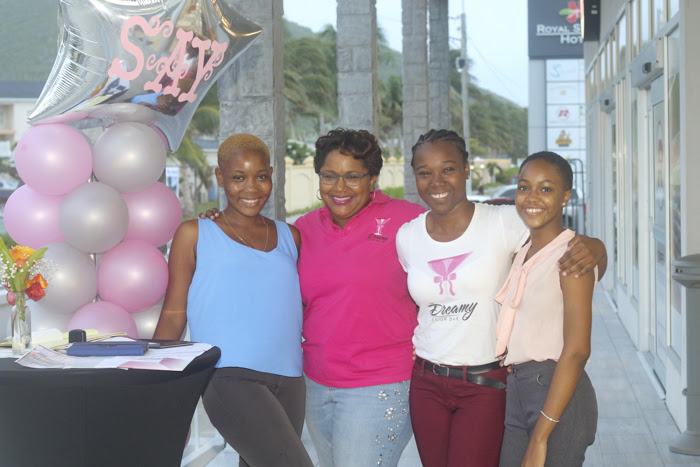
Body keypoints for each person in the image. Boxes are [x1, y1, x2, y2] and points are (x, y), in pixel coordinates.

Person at [200, 128, 425, 467]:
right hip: (315, 383)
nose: (339, 187)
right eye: (329, 176)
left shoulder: (408, 221)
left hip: (381, 382)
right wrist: (218, 221)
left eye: (352, 176)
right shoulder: (302, 230)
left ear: (372, 179)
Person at [395, 130, 606, 467]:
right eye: (425, 172)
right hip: (428, 382)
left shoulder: (505, 221)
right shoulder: (407, 237)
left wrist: (598, 248)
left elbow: (566, 250)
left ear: (467, 170)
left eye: (448, 169)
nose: (437, 181)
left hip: (486, 381)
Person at [154, 134, 313, 467]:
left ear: (272, 175)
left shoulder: (291, 237)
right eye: (238, 177)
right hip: (229, 376)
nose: (251, 187)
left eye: (260, 176)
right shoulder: (195, 233)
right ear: (220, 177)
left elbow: (295, 306)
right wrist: (154, 382)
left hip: (290, 378)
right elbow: (173, 313)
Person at [495, 152, 597, 467]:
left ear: (565, 196)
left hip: (556, 393)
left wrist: (540, 437)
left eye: (546, 189)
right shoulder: (523, 253)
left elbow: (578, 350)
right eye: (524, 187)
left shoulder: (573, 257)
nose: (532, 197)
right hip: (518, 387)